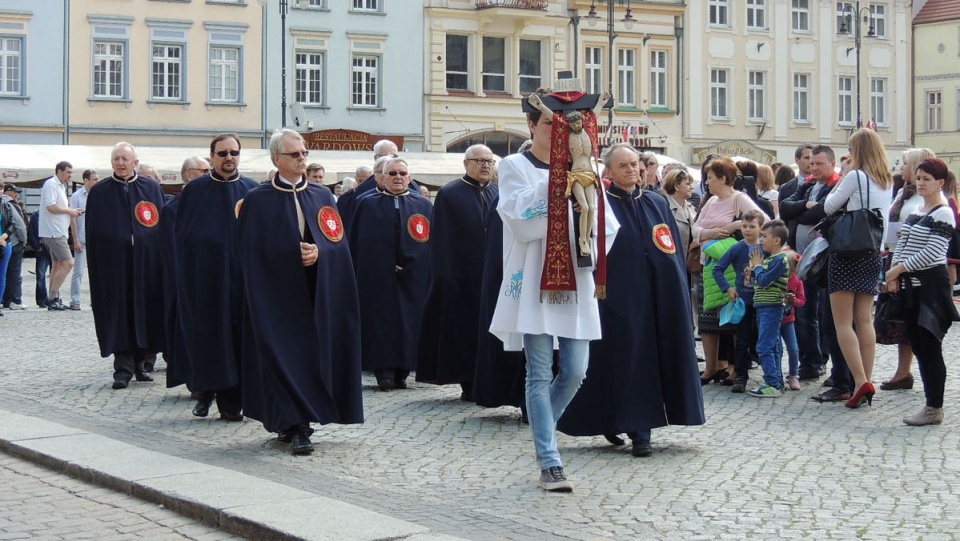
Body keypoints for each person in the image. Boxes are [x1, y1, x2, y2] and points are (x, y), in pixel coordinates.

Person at [489, 87, 616, 493]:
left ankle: (543, 423)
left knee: (576, 370)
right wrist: (558, 182)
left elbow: (607, 227)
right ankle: (549, 459)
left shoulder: (587, 168)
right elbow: (519, 221)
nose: (559, 132)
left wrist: (585, 220)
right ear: (533, 125)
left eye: (565, 125)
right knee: (539, 371)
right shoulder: (514, 165)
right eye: (550, 123)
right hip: (535, 280)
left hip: (575, 281)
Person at [557, 142, 704, 458]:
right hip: (617, 294)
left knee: (654, 357)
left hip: (660, 293)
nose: (632, 169)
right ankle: (633, 428)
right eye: (623, 165)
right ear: (607, 171)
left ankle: (641, 425)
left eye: (635, 164)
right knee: (623, 359)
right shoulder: (600, 204)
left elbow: (669, 246)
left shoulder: (656, 202)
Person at [237, 128, 363, 455]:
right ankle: (295, 425)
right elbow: (248, 252)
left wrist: (321, 253)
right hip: (275, 295)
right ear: (277, 158)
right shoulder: (257, 199)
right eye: (295, 154)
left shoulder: (322, 196)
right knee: (281, 357)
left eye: (304, 152)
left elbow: (339, 245)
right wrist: (285, 256)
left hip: (315, 291)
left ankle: (299, 420)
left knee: (309, 358)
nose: (302, 159)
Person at [176, 134, 259, 421]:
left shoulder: (252, 190)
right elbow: (183, 238)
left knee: (239, 340)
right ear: (211, 156)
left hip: (242, 282)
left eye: (233, 153)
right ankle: (208, 390)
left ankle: (234, 402)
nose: (228, 158)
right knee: (211, 338)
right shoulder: (196, 190)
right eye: (222, 153)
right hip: (207, 281)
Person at [417, 144, 497, 400]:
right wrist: (445, 274)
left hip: (492, 274)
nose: (485, 165)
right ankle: (468, 381)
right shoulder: (450, 193)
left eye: (489, 161)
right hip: (461, 275)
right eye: (480, 161)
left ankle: (487, 380)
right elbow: (441, 237)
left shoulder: (498, 192)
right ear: (466, 164)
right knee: (463, 332)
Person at [884, 158, 960, 425]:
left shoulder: (944, 212)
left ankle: (934, 407)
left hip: (931, 287)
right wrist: (894, 272)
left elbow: (933, 253)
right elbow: (903, 242)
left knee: (930, 347)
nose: (920, 183)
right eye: (918, 178)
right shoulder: (917, 208)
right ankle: (931, 406)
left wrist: (899, 270)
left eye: (926, 179)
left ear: (940, 182)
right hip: (910, 286)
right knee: (916, 342)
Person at [823, 129, 893, 409]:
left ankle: (860, 380)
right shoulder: (886, 180)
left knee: (843, 322)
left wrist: (846, 172)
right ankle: (865, 380)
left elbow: (829, 206)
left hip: (846, 252)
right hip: (872, 253)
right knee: (864, 319)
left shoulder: (855, 176)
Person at [85, 142, 165, 389]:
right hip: (115, 266)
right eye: (116, 159)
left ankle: (141, 364)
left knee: (144, 312)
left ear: (135, 162)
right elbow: (94, 231)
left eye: (125, 159)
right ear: (111, 163)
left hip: (145, 264)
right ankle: (122, 369)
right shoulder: (100, 192)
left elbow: (159, 223)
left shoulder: (150, 187)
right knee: (120, 313)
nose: (120, 163)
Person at [349, 157, 433, 391]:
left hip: (413, 277)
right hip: (377, 277)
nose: (397, 177)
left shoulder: (423, 205)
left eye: (402, 173)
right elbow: (359, 242)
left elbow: (429, 242)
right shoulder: (366, 203)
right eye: (392, 173)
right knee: (381, 322)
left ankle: (403, 370)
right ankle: (383, 371)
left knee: (409, 323)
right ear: (382, 177)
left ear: (409, 177)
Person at [692, 157, 766, 385]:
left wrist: (735, 226)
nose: (706, 182)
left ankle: (735, 367)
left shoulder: (739, 199)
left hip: (731, 268)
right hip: (707, 264)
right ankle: (711, 367)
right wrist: (707, 233)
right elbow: (695, 226)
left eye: (710, 178)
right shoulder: (711, 201)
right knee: (707, 319)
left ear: (723, 178)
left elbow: (764, 220)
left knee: (733, 319)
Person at [780, 145, 841, 382]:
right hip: (800, 258)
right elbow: (785, 208)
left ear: (832, 164)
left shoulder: (836, 185)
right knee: (803, 313)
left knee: (823, 314)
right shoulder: (808, 184)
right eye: (811, 163)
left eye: (819, 164)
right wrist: (803, 207)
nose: (813, 168)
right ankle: (810, 362)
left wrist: (801, 211)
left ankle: (823, 362)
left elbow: (820, 215)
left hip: (823, 259)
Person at [877, 148, 936, 391]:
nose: (901, 168)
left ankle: (915, 373)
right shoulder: (903, 191)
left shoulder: (926, 197)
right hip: (894, 255)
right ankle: (903, 372)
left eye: (905, 164)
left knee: (911, 319)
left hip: (911, 263)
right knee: (898, 319)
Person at [159, 156, 208, 393]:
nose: (210, 173)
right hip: (183, 280)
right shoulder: (171, 209)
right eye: (204, 170)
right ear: (189, 175)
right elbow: (171, 249)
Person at [712, 210, 765, 391]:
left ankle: (772, 376)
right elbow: (717, 269)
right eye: (744, 226)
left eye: (752, 226)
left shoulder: (767, 247)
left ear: (761, 228)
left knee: (764, 338)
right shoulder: (737, 248)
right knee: (742, 339)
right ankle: (741, 376)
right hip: (744, 301)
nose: (747, 230)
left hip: (764, 301)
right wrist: (728, 288)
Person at [744, 220, 790, 397]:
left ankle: (772, 383)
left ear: (777, 240)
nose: (761, 239)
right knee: (773, 344)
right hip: (763, 305)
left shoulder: (780, 260)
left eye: (764, 236)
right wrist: (752, 272)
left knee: (765, 346)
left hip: (772, 307)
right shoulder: (771, 259)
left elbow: (764, 280)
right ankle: (777, 381)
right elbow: (757, 281)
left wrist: (757, 266)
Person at [39, 161, 80, 311]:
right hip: (53, 231)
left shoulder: (60, 186)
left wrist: (71, 211)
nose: (70, 175)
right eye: (68, 172)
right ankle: (52, 297)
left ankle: (53, 298)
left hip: (58, 230)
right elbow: (51, 207)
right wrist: (70, 211)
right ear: (59, 171)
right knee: (69, 263)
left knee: (57, 264)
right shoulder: (51, 184)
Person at [338, 140, 399, 231]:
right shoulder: (363, 190)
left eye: (394, 156)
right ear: (376, 158)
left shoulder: (410, 185)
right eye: (386, 156)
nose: (390, 160)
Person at [67, 170, 98, 311]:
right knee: (78, 271)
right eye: (94, 179)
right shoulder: (76, 196)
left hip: (97, 238)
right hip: (82, 236)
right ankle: (75, 300)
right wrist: (76, 240)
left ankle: (96, 300)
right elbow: (73, 219)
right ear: (86, 180)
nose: (96, 182)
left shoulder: (99, 195)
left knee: (97, 271)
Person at [780, 257, 806, 391]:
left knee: (793, 349)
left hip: (788, 321)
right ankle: (777, 374)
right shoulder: (776, 279)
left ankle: (793, 375)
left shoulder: (796, 281)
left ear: (793, 270)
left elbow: (802, 301)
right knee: (776, 349)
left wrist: (794, 300)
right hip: (775, 320)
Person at [1, 184, 27, 310]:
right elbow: (19, 225)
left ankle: (5, 299)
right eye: (15, 192)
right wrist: (23, 241)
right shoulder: (9, 204)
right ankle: (14, 300)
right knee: (14, 273)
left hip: (5, 240)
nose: (16, 194)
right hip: (13, 242)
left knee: (4, 273)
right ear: (8, 192)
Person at [26, 210, 50, 308]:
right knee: (41, 276)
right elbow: (31, 232)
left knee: (56, 274)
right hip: (42, 248)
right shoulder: (36, 215)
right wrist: (36, 246)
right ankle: (42, 300)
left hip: (53, 247)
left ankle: (54, 298)